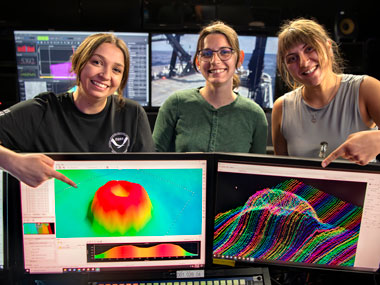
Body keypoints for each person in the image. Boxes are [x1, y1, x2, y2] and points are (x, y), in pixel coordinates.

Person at [0, 33, 154, 187]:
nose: (106, 75)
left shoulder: (132, 114)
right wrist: (14, 162)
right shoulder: (41, 111)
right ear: (77, 63)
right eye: (97, 62)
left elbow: (151, 176)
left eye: (116, 70)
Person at [271, 17, 380, 159]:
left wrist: (377, 141)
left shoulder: (366, 88)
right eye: (292, 58)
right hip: (302, 183)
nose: (304, 63)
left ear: (328, 47)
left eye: (309, 49)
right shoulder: (281, 107)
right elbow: (282, 175)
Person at [152, 21, 268, 153]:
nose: (215, 61)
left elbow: (257, 170)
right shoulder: (175, 105)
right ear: (198, 61)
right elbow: (153, 162)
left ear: (239, 59)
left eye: (224, 52)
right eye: (207, 54)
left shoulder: (255, 116)